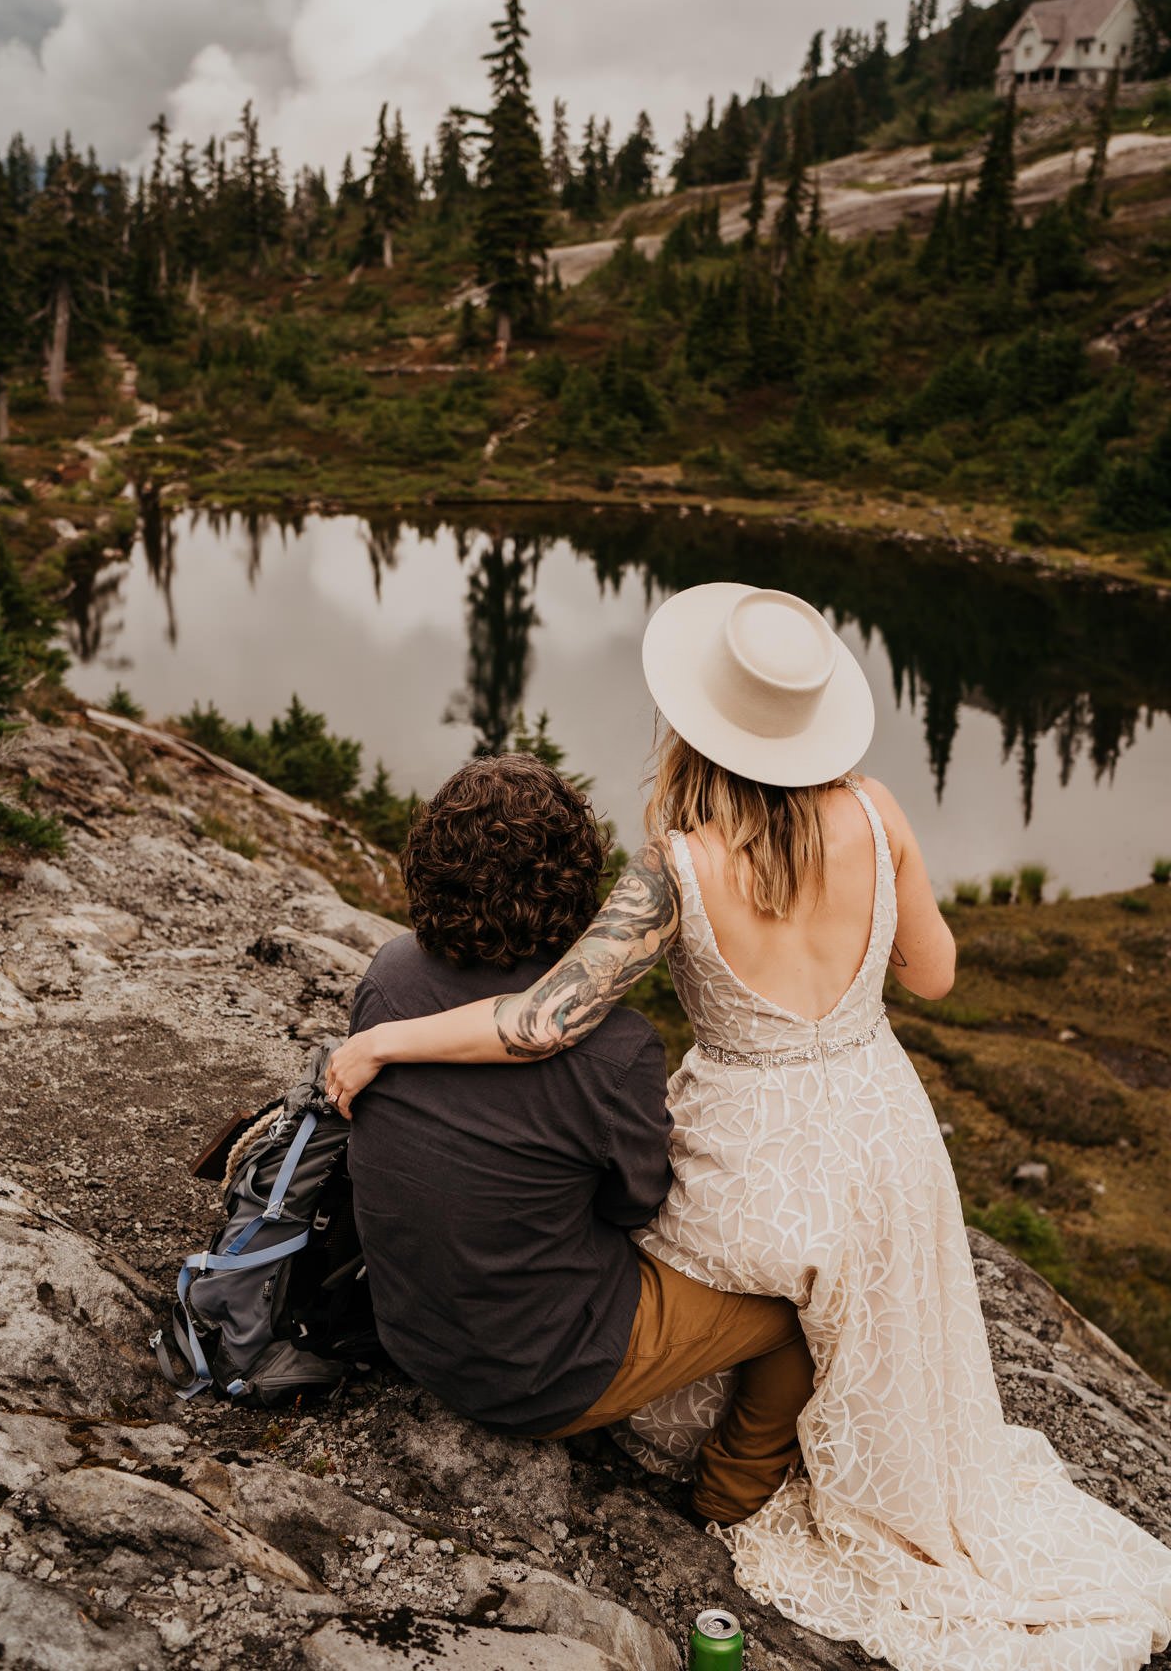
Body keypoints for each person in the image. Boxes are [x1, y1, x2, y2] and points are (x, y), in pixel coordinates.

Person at [329, 584, 1171, 1671]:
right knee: (846, 1302)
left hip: (752, 1141)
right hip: (877, 1124)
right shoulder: (877, 811)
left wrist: (384, 1042)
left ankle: (729, 1468)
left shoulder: (677, 864)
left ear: (696, 722)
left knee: (692, 1257)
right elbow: (938, 973)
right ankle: (835, 1470)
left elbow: (545, 1021)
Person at [343, 751, 814, 1529]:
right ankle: (726, 1503)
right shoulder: (615, 1049)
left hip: (407, 1330)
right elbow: (640, 1206)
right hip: (535, 1379)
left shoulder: (390, 975)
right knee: (798, 1309)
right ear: (574, 884)